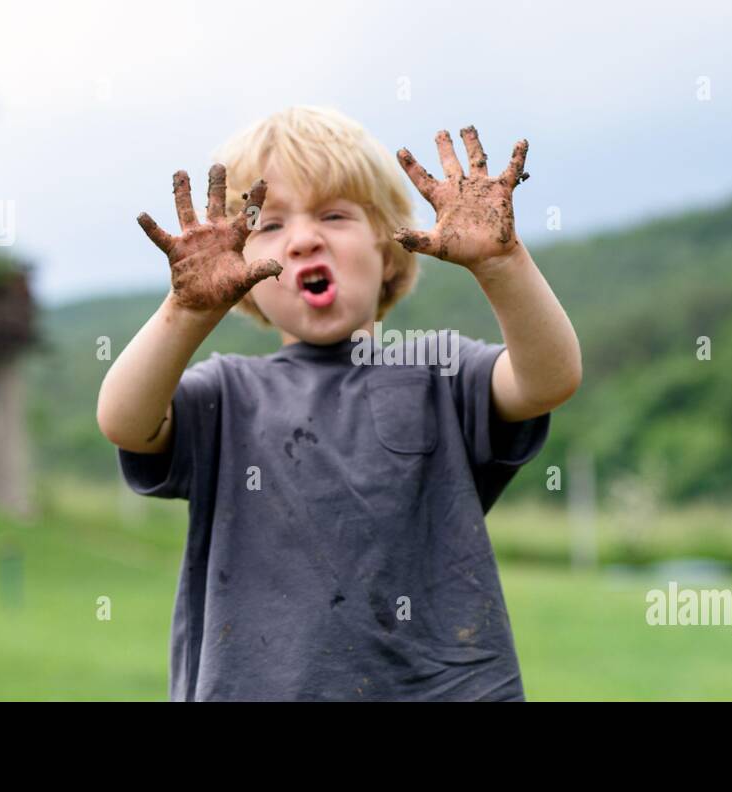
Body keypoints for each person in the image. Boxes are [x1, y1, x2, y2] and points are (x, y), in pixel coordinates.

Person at [96, 106, 581, 701]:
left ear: (390, 249)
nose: (304, 239)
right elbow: (125, 421)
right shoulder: (225, 394)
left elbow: (548, 379)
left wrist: (503, 263)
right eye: (267, 226)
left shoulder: (438, 371)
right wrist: (188, 310)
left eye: (334, 215)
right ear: (239, 269)